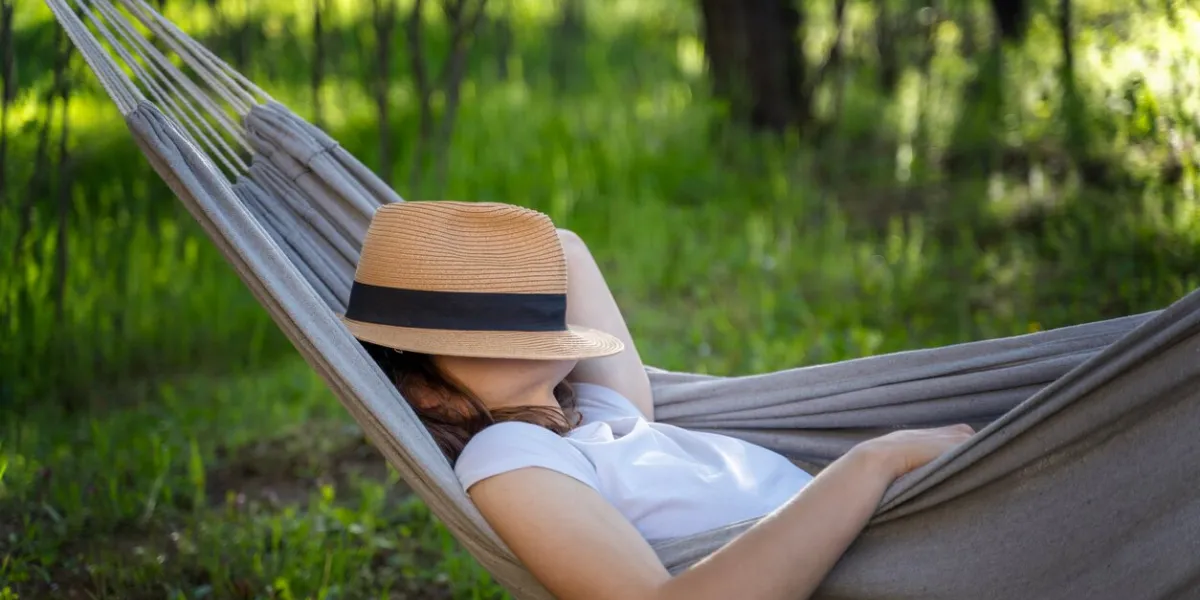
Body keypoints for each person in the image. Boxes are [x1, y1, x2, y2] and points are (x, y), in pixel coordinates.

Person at [341, 200, 975, 600]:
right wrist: (872, 462)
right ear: (425, 392)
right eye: (489, 331)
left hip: (904, 542)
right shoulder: (510, 456)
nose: (534, 323)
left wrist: (491, 252)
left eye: (526, 303)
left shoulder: (602, 415)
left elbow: (567, 249)